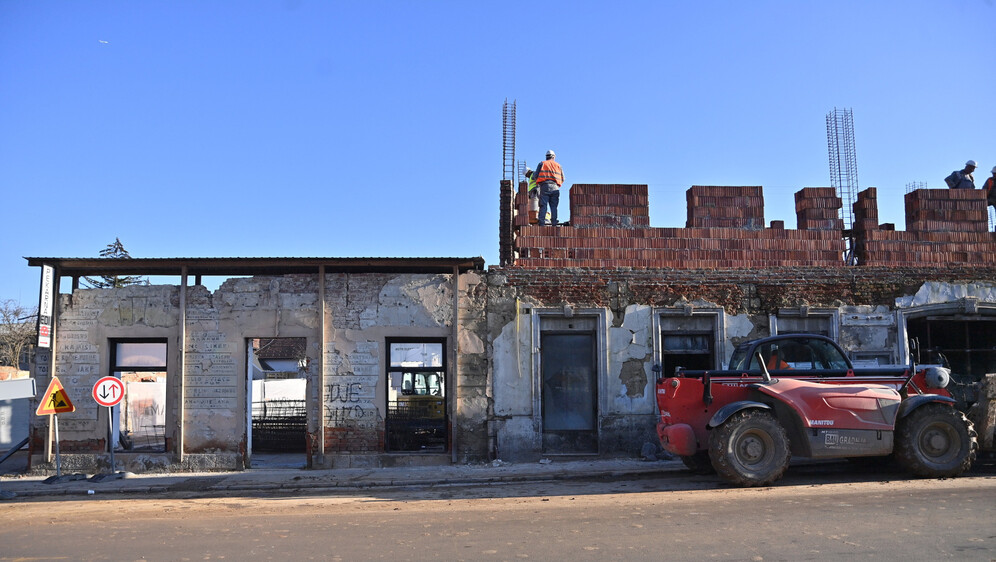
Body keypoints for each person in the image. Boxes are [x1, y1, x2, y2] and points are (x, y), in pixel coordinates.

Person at [534, 150, 565, 226]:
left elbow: (535, 176)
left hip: (545, 186)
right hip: (555, 187)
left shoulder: (542, 164)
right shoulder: (558, 166)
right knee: (554, 206)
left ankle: (541, 223)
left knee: (543, 205)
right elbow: (563, 178)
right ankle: (554, 223)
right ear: (554, 157)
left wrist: (539, 182)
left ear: (546, 157)